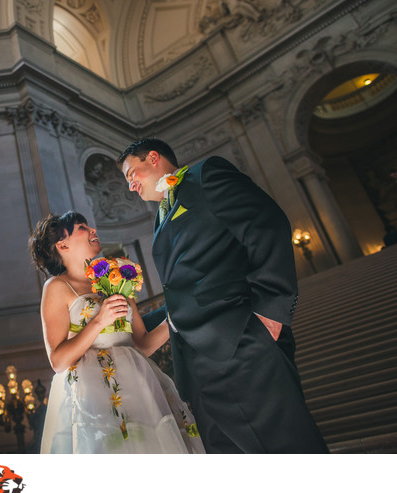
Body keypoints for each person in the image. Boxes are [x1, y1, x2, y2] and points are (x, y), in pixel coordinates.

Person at [118, 138, 328, 453]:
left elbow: (267, 224)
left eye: (132, 173)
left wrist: (270, 311)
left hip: (240, 344)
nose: (131, 185)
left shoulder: (205, 176)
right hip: (197, 369)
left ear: (152, 157)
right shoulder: (162, 215)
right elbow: (185, 292)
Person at [29, 211, 204, 454]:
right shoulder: (57, 287)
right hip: (94, 393)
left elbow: (142, 345)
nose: (93, 231)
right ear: (63, 244)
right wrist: (99, 321)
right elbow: (58, 361)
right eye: (82, 228)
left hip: (139, 383)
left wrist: (176, 319)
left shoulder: (117, 278)